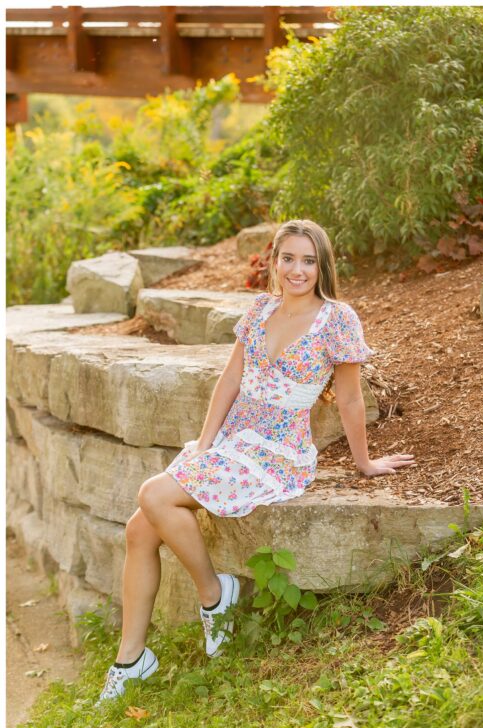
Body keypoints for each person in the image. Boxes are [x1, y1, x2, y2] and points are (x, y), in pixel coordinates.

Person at [98, 219, 415, 702]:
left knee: (152, 493)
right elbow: (229, 381)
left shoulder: (337, 319)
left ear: (322, 266)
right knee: (140, 529)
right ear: (275, 262)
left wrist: (364, 463)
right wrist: (205, 445)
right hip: (230, 441)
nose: (297, 269)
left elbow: (350, 400)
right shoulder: (260, 310)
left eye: (308, 260)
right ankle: (130, 660)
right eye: (288, 258)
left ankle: (214, 594)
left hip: (276, 451)